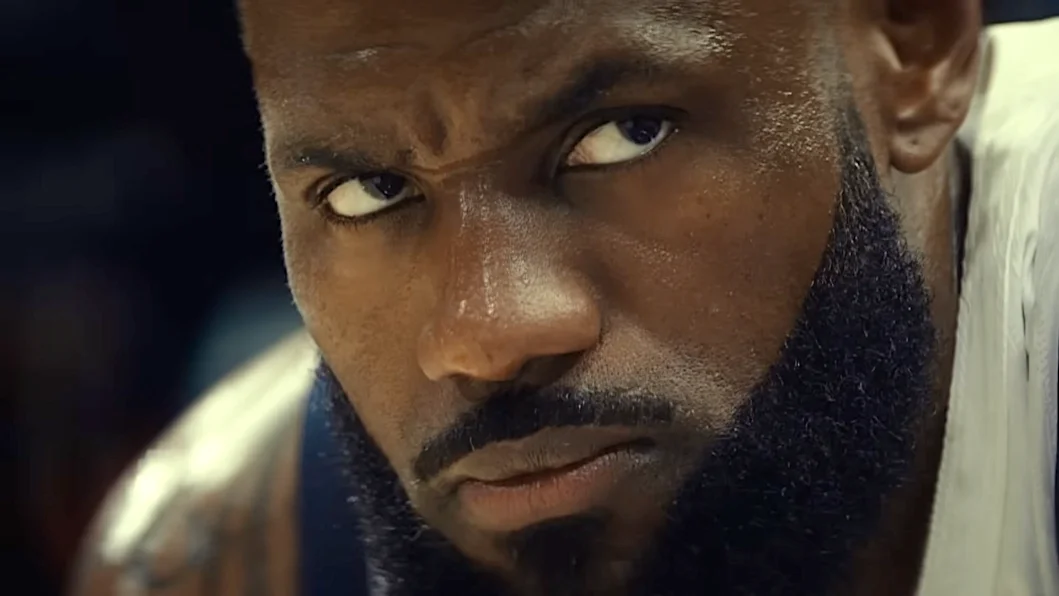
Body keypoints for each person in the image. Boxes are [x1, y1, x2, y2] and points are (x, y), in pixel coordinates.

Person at [71, 1, 1059, 594]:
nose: (487, 336)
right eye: (370, 192)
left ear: (909, 43)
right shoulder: (229, 549)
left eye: (623, 134)